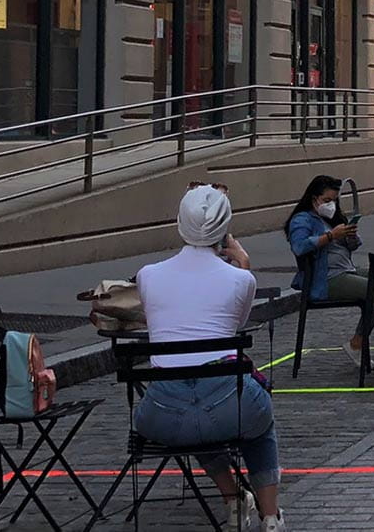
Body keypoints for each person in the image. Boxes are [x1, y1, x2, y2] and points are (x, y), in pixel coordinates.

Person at [137, 186, 285, 532]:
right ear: (225, 228)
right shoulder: (240, 279)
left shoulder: (147, 275)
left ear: (179, 224)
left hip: (163, 415)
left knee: (196, 417)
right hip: (226, 407)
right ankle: (270, 516)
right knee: (253, 420)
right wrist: (241, 262)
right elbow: (237, 325)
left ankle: (233, 496)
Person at [283, 175, 374, 362]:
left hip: (346, 269)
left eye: (334, 200)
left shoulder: (331, 218)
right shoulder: (302, 220)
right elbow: (299, 246)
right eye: (327, 200)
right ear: (314, 199)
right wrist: (331, 236)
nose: (331, 204)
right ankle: (357, 342)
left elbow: (351, 246)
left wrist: (350, 236)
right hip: (325, 278)